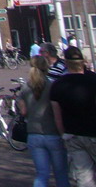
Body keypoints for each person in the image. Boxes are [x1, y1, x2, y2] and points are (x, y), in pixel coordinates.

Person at [16, 55, 69, 187]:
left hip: (34, 134)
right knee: (61, 174)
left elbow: (23, 112)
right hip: (53, 134)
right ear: (46, 67)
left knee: (41, 174)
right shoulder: (52, 86)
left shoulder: (25, 88)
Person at [50, 45, 96, 187]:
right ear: (82, 61)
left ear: (66, 63)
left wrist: (64, 134)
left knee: (84, 178)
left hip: (73, 135)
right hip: (93, 132)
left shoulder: (57, 85)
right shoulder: (93, 80)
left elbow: (57, 116)